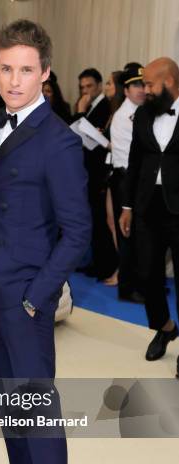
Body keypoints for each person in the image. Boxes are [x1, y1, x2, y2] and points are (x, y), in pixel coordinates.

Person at [0, 20, 91, 464]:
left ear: (45, 74)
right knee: (13, 414)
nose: (14, 80)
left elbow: (79, 233)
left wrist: (36, 296)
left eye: (26, 70)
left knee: (36, 414)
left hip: (24, 301)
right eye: (6, 68)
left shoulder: (59, 141)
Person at [120, 57, 179, 368]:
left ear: (169, 82)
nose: (145, 90)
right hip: (147, 207)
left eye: (150, 84)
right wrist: (127, 206)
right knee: (147, 274)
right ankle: (165, 328)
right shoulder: (144, 114)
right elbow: (134, 163)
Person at [74, 68, 118, 280]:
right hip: (90, 172)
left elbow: (89, 136)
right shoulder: (96, 105)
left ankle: (105, 265)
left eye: (90, 86)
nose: (85, 91)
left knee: (102, 221)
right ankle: (97, 263)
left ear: (99, 85)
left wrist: (81, 113)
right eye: (82, 87)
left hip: (100, 171)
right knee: (95, 220)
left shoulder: (104, 105)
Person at [108, 64, 145, 302]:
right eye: (136, 85)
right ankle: (128, 288)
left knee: (140, 235)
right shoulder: (125, 117)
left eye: (143, 84)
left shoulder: (142, 113)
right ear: (127, 89)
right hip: (126, 179)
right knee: (128, 234)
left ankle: (141, 284)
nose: (141, 89)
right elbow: (133, 157)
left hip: (135, 179)